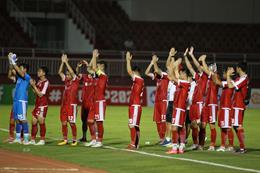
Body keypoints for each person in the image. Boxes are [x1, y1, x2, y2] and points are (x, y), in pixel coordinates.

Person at [185, 47, 208, 150]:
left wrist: (192, 55)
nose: (199, 69)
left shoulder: (205, 76)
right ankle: (195, 144)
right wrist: (186, 56)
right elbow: (190, 67)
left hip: (200, 103)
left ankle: (201, 145)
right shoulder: (198, 77)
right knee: (194, 124)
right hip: (193, 104)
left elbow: (198, 66)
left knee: (201, 125)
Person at [166, 58, 191, 154]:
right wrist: (174, 67)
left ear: (185, 75)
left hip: (179, 109)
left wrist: (173, 66)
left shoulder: (185, 83)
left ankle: (175, 147)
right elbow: (171, 77)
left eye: (181, 73)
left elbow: (172, 76)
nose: (180, 75)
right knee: (181, 128)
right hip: (180, 108)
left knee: (174, 128)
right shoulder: (182, 84)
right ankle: (181, 147)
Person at [145, 54, 169, 144]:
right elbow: (146, 73)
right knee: (157, 121)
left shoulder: (165, 75)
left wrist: (155, 62)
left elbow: (157, 70)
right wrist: (152, 62)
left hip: (163, 101)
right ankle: (161, 138)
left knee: (163, 120)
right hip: (157, 101)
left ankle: (165, 139)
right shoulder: (157, 77)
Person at [8, 52, 31, 145]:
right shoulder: (18, 78)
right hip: (16, 101)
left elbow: (19, 72)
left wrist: (14, 63)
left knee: (23, 119)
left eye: (21, 68)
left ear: (25, 70)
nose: (19, 70)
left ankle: (26, 139)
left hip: (22, 101)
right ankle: (17, 138)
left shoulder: (27, 77)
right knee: (17, 119)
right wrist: (10, 62)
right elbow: (10, 73)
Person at [58, 54, 80, 146]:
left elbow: (72, 72)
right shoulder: (66, 81)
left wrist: (66, 62)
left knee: (71, 123)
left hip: (72, 105)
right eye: (66, 74)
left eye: (68, 74)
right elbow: (59, 72)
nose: (67, 76)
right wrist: (62, 62)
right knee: (63, 122)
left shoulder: (76, 80)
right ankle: (65, 139)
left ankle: (74, 140)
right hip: (64, 105)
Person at [87, 49, 108, 148]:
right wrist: (93, 57)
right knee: (90, 121)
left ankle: (100, 141)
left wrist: (95, 56)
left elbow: (94, 68)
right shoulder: (97, 76)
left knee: (99, 122)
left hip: (100, 101)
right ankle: (93, 139)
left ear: (102, 67)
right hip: (94, 101)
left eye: (99, 65)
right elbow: (89, 68)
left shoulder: (103, 75)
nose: (97, 67)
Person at [226, 62, 249, 153]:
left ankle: (242, 148)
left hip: (238, 106)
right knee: (236, 126)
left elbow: (230, 86)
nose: (235, 69)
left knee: (238, 126)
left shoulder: (243, 78)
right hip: (237, 105)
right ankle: (242, 147)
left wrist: (228, 75)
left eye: (236, 68)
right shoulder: (241, 78)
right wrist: (229, 77)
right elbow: (231, 84)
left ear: (239, 68)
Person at [212, 68, 234, 152]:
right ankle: (223, 145)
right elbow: (216, 82)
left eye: (224, 72)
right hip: (223, 108)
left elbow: (217, 82)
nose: (223, 74)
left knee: (227, 127)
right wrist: (213, 73)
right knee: (222, 127)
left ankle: (231, 146)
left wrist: (213, 73)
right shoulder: (226, 82)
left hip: (227, 108)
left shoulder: (231, 83)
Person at [126, 51, 144, 150]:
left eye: (133, 72)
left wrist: (128, 60)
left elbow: (129, 71)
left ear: (136, 72)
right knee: (133, 125)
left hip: (136, 105)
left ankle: (134, 144)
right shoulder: (138, 80)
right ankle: (135, 143)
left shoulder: (139, 79)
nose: (132, 73)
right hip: (133, 105)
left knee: (133, 125)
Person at [199, 56, 219, 151]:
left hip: (212, 103)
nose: (209, 68)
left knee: (211, 125)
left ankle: (212, 145)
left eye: (211, 67)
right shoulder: (209, 77)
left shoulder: (215, 76)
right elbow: (203, 69)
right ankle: (201, 145)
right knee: (202, 125)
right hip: (206, 104)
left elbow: (205, 70)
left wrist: (203, 60)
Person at [76, 58, 96, 143]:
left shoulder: (95, 77)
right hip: (84, 103)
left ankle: (94, 138)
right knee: (83, 121)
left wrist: (88, 64)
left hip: (92, 103)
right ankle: (84, 137)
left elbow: (92, 71)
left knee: (92, 121)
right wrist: (77, 66)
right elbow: (76, 75)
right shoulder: (84, 77)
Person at [29, 66, 50, 145]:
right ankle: (33, 139)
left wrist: (34, 86)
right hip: (37, 104)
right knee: (33, 121)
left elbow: (41, 94)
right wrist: (32, 85)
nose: (38, 72)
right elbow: (35, 92)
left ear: (44, 73)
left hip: (42, 105)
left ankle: (42, 140)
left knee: (41, 122)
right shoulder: (39, 82)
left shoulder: (46, 82)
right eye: (38, 71)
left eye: (40, 71)